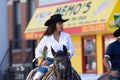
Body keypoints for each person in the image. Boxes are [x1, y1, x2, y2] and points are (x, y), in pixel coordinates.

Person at [33, 14, 74, 80]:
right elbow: (38, 50)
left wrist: (68, 54)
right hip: (50, 62)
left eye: (62, 23)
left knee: (75, 75)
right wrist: (42, 59)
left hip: (64, 62)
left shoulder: (67, 36)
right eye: (59, 23)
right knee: (36, 77)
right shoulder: (46, 38)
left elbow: (71, 49)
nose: (62, 25)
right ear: (54, 25)